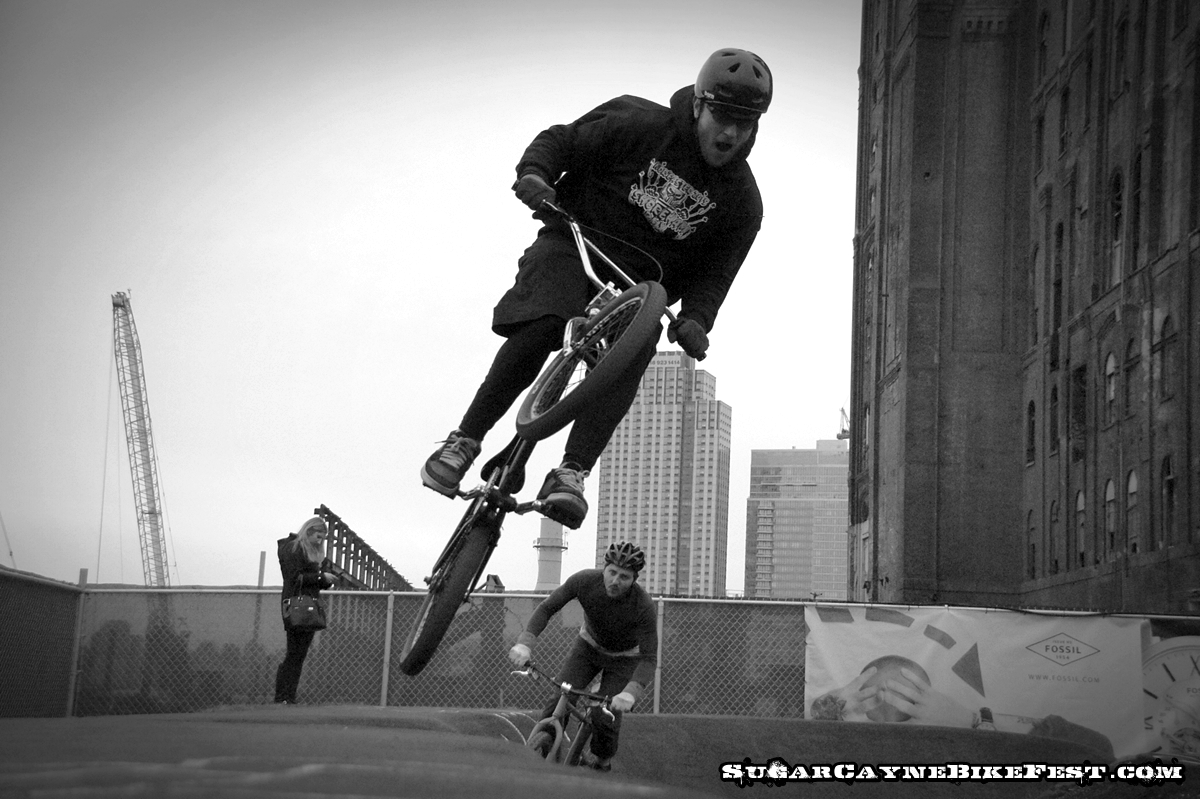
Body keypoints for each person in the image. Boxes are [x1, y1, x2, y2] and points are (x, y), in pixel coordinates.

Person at [421, 48, 772, 529]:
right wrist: (535, 173)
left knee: (634, 351)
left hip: (639, 292)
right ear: (697, 105)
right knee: (547, 323)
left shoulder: (743, 204)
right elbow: (561, 141)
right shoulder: (638, 123)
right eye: (722, 117)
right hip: (577, 242)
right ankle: (465, 438)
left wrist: (697, 320)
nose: (731, 134)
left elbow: (716, 275)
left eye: (744, 123)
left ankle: (571, 473)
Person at [508, 542, 657, 772]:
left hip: (623, 660)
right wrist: (524, 644)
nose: (616, 581)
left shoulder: (643, 606)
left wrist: (630, 692)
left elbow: (649, 658)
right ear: (604, 569)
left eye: (624, 577)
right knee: (559, 698)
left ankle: (602, 761)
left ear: (634, 579)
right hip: (588, 648)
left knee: (605, 715)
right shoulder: (584, 581)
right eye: (612, 572)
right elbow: (547, 608)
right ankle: (543, 765)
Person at [274, 516, 337, 704]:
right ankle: (283, 697)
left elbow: (310, 581)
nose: (320, 541)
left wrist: (326, 580)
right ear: (308, 532)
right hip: (295, 606)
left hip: (308, 606)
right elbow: (294, 577)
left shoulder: (312, 553)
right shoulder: (293, 548)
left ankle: (288, 697)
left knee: (299, 654)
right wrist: (320, 577)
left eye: (322, 538)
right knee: (294, 653)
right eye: (318, 536)